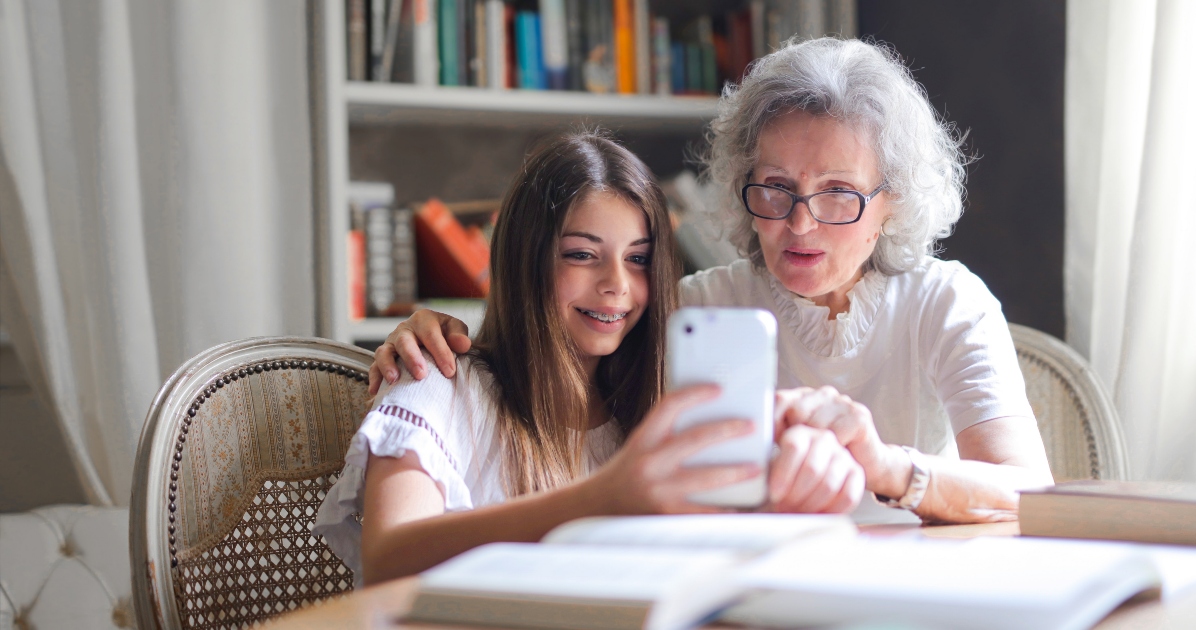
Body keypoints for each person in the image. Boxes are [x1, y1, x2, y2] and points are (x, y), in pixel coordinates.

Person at [368, 39, 1055, 525]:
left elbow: (1028, 491)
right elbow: (554, 358)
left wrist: (885, 466)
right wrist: (435, 332)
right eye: (776, 189)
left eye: (839, 194)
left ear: (892, 202)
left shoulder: (946, 300)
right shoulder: (692, 310)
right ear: (740, 183)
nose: (800, 225)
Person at [314, 131, 865, 587]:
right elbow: (388, 558)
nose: (616, 287)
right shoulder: (437, 381)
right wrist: (603, 498)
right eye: (582, 255)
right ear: (525, 259)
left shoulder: (654, 406)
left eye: (639, 260)